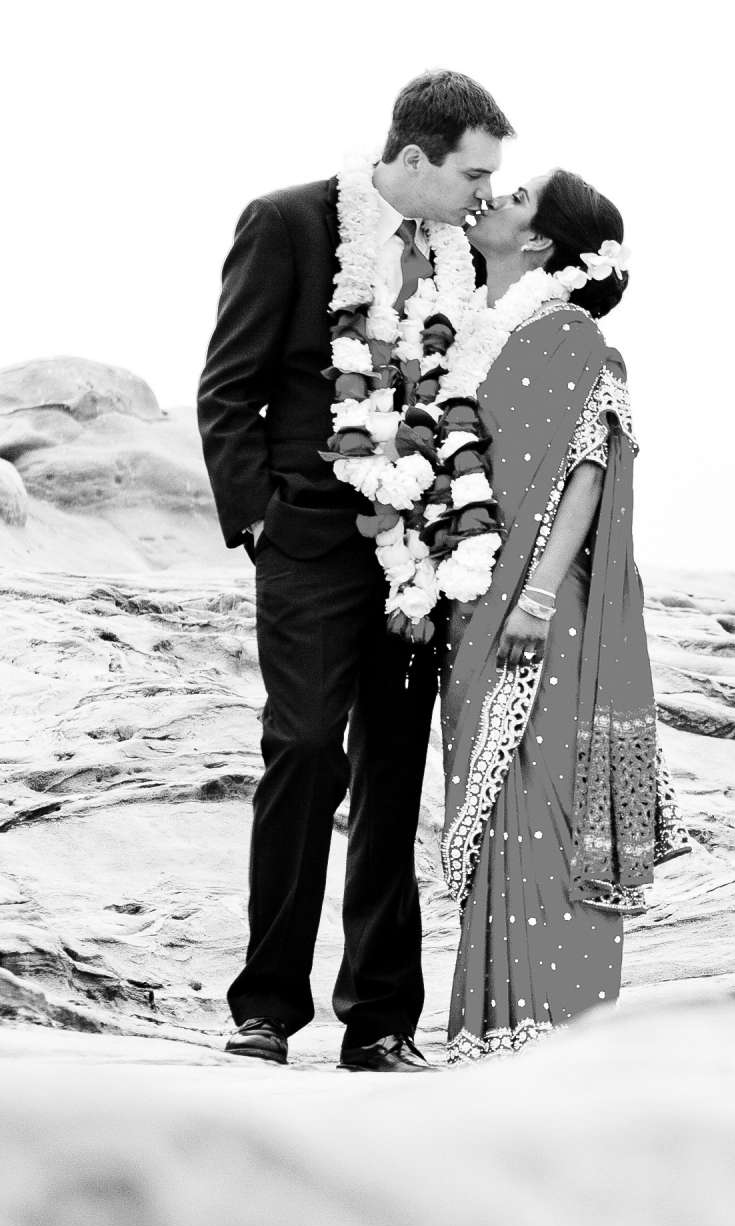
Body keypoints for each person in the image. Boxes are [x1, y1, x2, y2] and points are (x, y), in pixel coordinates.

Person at [198, 70, 512, 1071]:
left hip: (422, 551)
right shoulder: (289, 224)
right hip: (311, 544)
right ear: (412, 159)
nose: (484, 192)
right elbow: (228, 387)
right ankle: (266, 1009)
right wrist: (261, 523)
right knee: (301, 751)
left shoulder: (464, 260)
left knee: (392, 775)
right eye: (472, 172)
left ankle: (380, 1021)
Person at [435, 169, 682, 1059]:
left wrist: (536, 595)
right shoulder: (472, 333)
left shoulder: (569, 334)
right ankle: (492, 1027)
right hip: (470, 603)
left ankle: (554, 1031)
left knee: (541, 797)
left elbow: (589, 462)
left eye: (517, 196)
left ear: (540, 242)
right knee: (494, 803)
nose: (494, 198)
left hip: (543, 606)